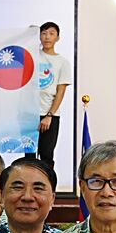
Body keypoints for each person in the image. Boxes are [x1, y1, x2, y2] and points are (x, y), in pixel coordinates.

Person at [33, 21, 72, 171]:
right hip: (29, 114)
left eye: (51, 33)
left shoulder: (62, 62)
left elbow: (61, 91)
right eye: (43, 33)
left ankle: (47, 191)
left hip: (50, 115)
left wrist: (49, 115)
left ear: (58, 37)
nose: (47, 37)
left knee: (46, 155)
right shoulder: (33, 55)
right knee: (29, 156)